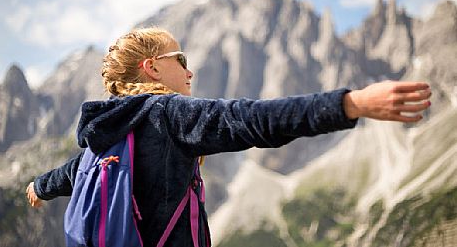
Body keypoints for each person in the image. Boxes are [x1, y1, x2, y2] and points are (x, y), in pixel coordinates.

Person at [26, 27, 432, 247]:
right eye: (180, 59)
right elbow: (253, 120)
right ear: (151, 69)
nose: (190, 71)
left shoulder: (106, 131)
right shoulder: (170, 112)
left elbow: (72, 172)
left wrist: (38, 187)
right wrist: (350, 103)